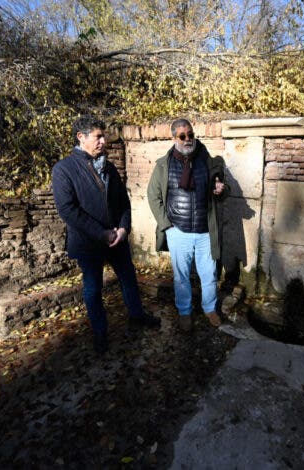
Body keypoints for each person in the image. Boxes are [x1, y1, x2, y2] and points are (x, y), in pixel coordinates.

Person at [52, 116, 160, 354]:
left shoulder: (108, 166)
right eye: (98, 136)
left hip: (117, 239)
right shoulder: (64, 169)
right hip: (89, 242)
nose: (103, 141)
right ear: (81, 137)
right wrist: (102, 234)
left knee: (129, 280)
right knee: (93, 290)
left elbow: (123, 202)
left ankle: (137, 316)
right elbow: (68, 210)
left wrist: (123, 229)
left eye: (104, 136)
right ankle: (100, 333)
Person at [147, 118, 229, 332]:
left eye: (190, 134)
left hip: (204, 231)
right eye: (182, 136)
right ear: (174, 138)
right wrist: (167, 225)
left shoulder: (206, 160)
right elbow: (153, 195)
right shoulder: (164, 165)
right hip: (178, 231)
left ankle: (209, 309)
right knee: (181, 277)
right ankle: (184, 312)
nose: (188, 139)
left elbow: (220, 188)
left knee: (209, 275)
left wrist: (221, 189)